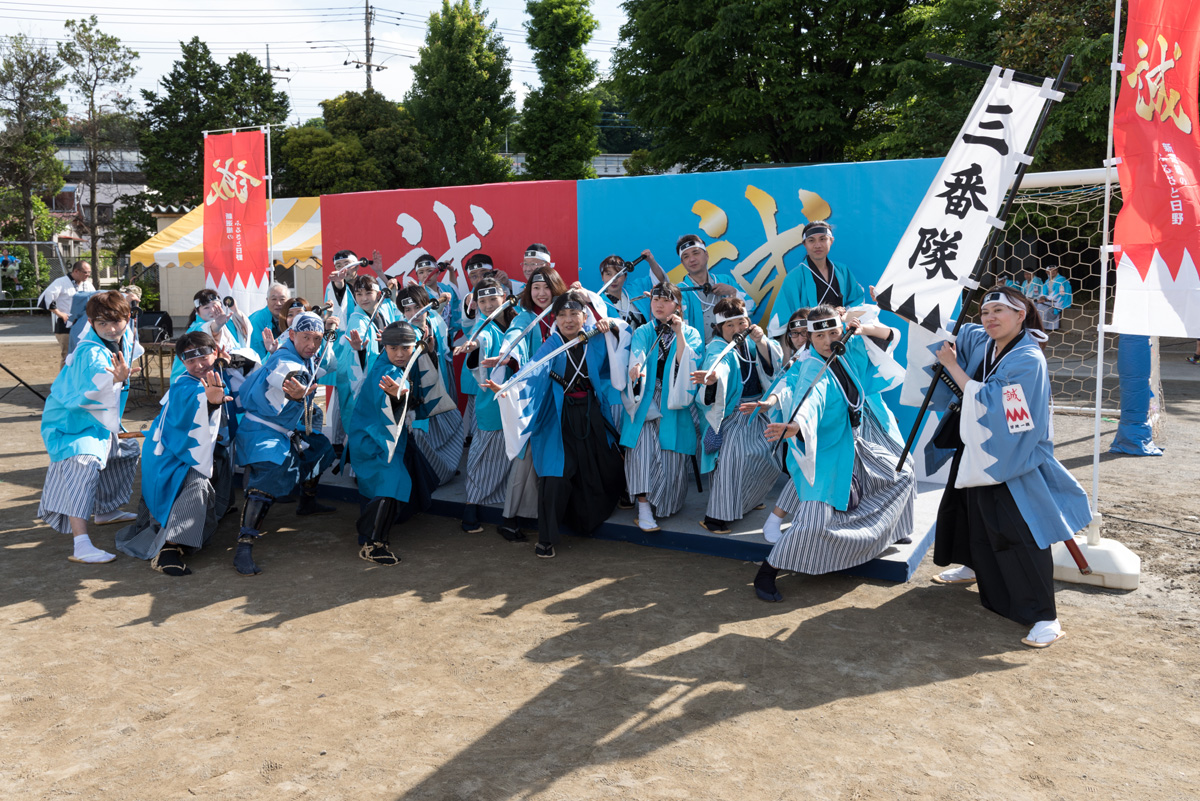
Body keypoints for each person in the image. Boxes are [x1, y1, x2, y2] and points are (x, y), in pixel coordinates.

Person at [926, 286, 1091, 648]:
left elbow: (1006, 414)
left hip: (1012, 457)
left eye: (1000, 311)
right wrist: (898, 299)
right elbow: (951, 327)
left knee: (1019, 534)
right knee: (970, 515)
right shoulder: (985, 341)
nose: (990, 318)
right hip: (979, 448)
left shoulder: (1028, 359)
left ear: (1021, 315)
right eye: (986, 312)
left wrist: (953, 366)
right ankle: (975, 568)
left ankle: (1045, 617)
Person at [750, 306, 916, 602]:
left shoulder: (849, 346)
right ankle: (768, 570)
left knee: (902, 472)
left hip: (853, 442)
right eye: (819, 335)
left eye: (833, 333)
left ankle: (891, 531)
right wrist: (797, 424)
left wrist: (863, 329)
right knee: (813, 521)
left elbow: (893, 334)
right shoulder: (813, 366)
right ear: (809, 338)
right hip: (825, 451)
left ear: (842, 330)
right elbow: (811, 396)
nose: (827, 340)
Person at [483, 290, 625, 558]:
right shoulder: (552, 345)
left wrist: (611, 324)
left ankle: (591, 519)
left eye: (575, 314)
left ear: (585, 316)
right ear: (555, 319)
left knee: (602, 464)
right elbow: (532, 370)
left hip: (591, 413)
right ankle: (547, 538)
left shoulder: (593, 337)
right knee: (555, 476)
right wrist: (508, 387)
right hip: (558, 418)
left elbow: (624, 331)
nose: (569, 320)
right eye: (562, 315)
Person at [115, 332, 233, 575]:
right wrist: (211, 401)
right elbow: (198, 401)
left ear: (216, 352)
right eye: (190, 360)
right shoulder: (185, 385)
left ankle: (210, 514)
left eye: (204, 356)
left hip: (178, 448)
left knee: (222, 463)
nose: (199, 365)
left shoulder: (213, 375)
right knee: (197, 485)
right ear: (182, 362)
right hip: (172, 453)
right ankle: (169, 547)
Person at [37, 290, 142, 563]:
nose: (109, 329)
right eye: (101, 324)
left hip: (100, 420)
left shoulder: (125, 334)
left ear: (127, 319)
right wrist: (115, 380)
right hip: (71, 423)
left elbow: (129, 338)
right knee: (83, 466)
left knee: (126, 451)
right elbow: (92, 391)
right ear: (91, 323)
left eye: (115, 322)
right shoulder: (91, 353)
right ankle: (81, 544)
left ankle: (105, 510)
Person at [232, 311, 339, 576]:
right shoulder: (285, 358)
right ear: (291, 335)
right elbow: (288, 376)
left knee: (322, 447)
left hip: (288, 429)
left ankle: (307, 502)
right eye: (306, 337)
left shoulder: (308, 356)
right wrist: (299, 390)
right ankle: (244, 545)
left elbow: (329, 366)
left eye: (317, 338)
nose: (312, 344)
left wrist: (330, 339)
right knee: (271, 470)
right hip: (261, 430)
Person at [350, 321, 458, 564]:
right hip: (375, 439)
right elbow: (389, 393)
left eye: (406, 348)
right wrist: (399, 394)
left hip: (385, 436)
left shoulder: (389, 362)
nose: (399, 354)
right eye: (393, 348)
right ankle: (373, 544)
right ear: (384, 347)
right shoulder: (387, 371)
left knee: (398, 479)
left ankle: (376, 531)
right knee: (392, 481)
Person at [691, 296, 782, 534]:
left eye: (740, 322)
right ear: (720, 329)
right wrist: (713, 378)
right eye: (729, 325)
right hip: (732, 414)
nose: (736, 329)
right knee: (733, 460)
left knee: (768, 457)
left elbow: (775, 363)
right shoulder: (717, 347)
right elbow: (718, 365)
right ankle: (715, 517)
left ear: (748, 322)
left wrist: (761, 340)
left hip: (758, 410)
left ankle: (748, 501)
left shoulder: (752, 342)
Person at [490, 266, 569, 538]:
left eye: (547, 287)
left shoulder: (566, 313)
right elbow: (515, 338)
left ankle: (554, 513)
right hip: (536, 395)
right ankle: (510, 517)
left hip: (566, 393)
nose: (541, 293)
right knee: (527, 457)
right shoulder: (525, 318)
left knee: (561, 455)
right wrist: (505, 354)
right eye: (536, 288)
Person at [621, 282, 703, 531]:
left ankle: (663, 503)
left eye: (666, 300)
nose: (658, 304)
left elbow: (687, 363)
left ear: (677, 305)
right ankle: (643, 507)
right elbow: (638, 352)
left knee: (670, 457)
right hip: (646, 397)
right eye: (655, 299)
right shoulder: (644, 331)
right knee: (642, 451)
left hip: (675, 400)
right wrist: (636, 367)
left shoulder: (691, 333)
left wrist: (679, 333)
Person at [455, 278, 520, 535]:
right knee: (483, 455)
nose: (489, 304)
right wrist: (473, 345)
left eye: (493, 299)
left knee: (513, 454)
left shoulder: (519, 322)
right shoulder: (484, 327)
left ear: (504, 297)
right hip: (492, 403)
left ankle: (508, 501)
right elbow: (479, 339)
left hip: (520, 401)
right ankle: (471, 504)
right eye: (482, 301)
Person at [396, 283, 463, 485]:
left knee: (450, 424)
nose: (414, 313)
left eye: (417, 307)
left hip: (433, 387)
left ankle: (436, 471)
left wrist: (431, 351)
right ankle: (427, 476)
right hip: (413, 398)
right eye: (407, 309)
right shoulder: (403, 331)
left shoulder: (434, 322)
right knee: (420, 436)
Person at [644, 235, 752, 345]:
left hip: (729, 348)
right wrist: (659, 301)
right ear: (682, 262)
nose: (692, 259)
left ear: (706, 255)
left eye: (696, 253)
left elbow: (751, 308)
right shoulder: (678, 291)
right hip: (694, 354)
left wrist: (733, 292)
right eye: (686, 256)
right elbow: (668, 323)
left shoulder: (725, 281)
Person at [767, 221, 866, 337]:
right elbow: (784, 320)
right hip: (811, 339)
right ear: (804, 244)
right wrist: (831, 315)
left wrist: (845, 315)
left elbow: (857, 300)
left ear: (831, 241)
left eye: (823, 239)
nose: (817, 245)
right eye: (811, 240)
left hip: (842, 335)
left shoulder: (842, 270)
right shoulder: (794, 277)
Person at [169, 289, 252, 383]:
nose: (212, 310)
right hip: (192, 381)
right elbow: (212, 329)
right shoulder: (197, 328)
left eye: (215, 305)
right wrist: (218, 324)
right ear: (197, 311)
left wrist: (235, 310)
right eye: (206, 308)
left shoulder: (227, 323)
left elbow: (245, 330)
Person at [38, 260, 95, 366]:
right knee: (68, 356)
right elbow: (45, 298)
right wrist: (60, 313)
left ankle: (78, 381)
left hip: (84, 325)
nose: (87, 275)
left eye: (89, 272)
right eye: (85, 272)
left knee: (84, 355)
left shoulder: (88, 284)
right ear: (76, 271)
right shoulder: (61, 282)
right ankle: (64, 382)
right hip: (65, 325)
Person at [594, 255, 649, 328]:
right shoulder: (598, 303)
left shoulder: (634, 289)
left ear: (625, 276)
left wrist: (651, 260)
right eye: (608, 274)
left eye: (618, 275)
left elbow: (658, 279)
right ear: (602, 277)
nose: (614, 279)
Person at [249, 282, 292, 363]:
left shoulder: (291, 318)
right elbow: (257, 356)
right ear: (267, 300)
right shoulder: (257, 320)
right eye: (274, 299)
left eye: (282, 299)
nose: (278, 303)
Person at [1037, 263, 1073, 331]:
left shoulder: (1061, 279)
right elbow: (1043, 291)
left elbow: (1057, 293)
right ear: (1047, 272)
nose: (1052, 272)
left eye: (1054, 270)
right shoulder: (1047, 281)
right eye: (1050, 270)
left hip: (1059, 300)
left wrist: (1046, 299)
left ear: (1057, 271)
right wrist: (1042, 297)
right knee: (1036, 305)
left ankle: (1048, 326)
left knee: (1041, 307)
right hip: (1049, 300)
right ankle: (1042, 325)